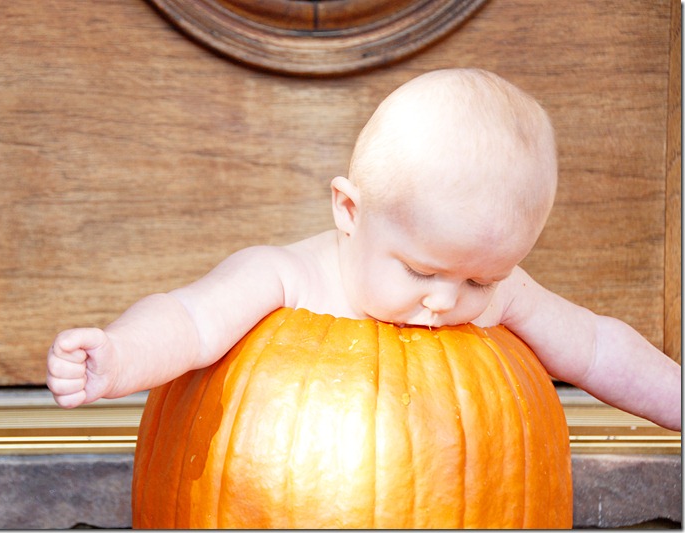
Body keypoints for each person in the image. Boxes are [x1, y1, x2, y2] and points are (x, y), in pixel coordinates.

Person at [47, 68, 681, 431]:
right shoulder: (287, 277)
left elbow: (597, 349)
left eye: (480, 282)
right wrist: (120, 357)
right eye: (421, 269)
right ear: (349, 212)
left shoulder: (499, 292)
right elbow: (188, 322)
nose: (445, 299)